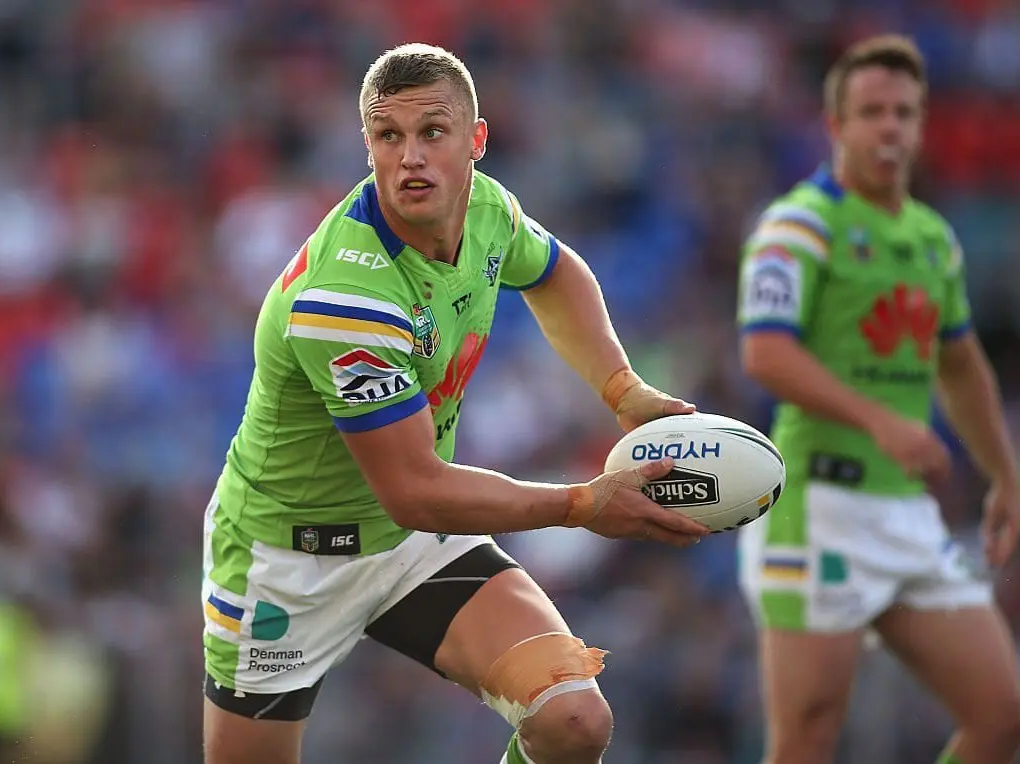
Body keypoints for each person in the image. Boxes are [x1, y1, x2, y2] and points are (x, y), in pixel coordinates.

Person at [201, 42, 708, 764]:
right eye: (389, 136)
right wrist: (582, 505)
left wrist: (623, 391)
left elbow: (556, 275)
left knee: (571, 721)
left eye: (432, 133)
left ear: (475, 141)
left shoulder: (489, 209)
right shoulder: (347, 300)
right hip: (289, 559)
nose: (410, 156)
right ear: (367, 144)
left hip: (410, 545)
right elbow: (415, 491)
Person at [736, 34, 1020, 764]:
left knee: (1003, 714)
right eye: (872, 112)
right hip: (817, 509)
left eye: (904, 112)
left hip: (906, 516)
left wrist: (1005, 474)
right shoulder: (798, 225)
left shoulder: (933, 240)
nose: (890, 127)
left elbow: (961, 366)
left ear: (922, 125)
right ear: (837, 126)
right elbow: (765, 352)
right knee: (806, 738)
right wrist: (881, 422)